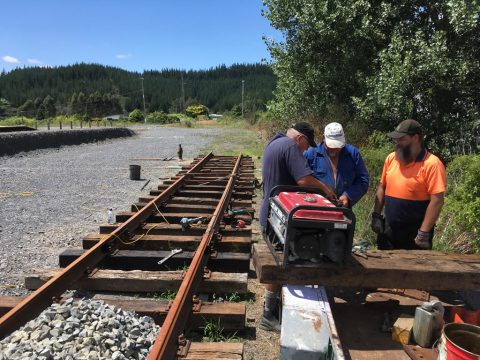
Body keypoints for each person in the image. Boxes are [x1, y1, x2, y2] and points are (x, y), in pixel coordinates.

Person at [259, 122, 335, 332]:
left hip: (270, 210)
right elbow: (303, 180)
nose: (305, 150)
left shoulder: (274, 142)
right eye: (306, 146)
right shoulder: (290, 146)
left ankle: (274, 308)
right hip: (278, 216)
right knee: (281, 264)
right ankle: (269, 314)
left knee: (279, 261)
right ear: (300, 138)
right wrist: (325, 189)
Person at [371, 119, 446, 250]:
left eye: (401, 139)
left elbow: (437, 201)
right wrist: (376, 216)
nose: (397, 143)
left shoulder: (432, 164)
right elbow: (382, 187)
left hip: (415, 236)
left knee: (414, 270)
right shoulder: (391, 159)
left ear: (415, 138)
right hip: (388, 232)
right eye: (396, 139)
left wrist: (423, 232)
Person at [304, 122, 369, 208]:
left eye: (338, 146)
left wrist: (348, 196)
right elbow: (302, 180)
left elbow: (363, 181)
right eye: (331, 145)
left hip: (342, 210)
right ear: (324, 138)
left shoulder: (353, 154)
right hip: (315, 207)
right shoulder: (311, 154)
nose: (334, 149)